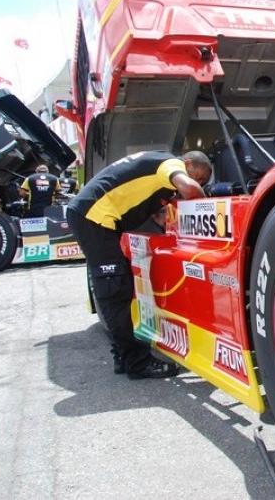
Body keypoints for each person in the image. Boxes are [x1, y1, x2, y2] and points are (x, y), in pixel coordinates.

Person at [67, 150, 212, 379]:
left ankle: (123, 356)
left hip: (94, 216)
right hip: (94, 218)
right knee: (114, 289)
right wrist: (206, 206)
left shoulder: (158, 172)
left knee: (120, 285)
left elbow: (159, 213)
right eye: (199, 177)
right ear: (188, 163)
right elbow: (190, 188)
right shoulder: (170, 164)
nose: (199, 182)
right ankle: (137, 363)